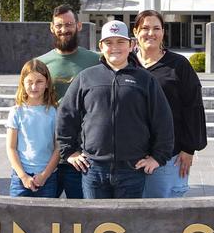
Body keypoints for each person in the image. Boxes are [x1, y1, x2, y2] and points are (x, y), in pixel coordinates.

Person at [57, 19, 174, 199]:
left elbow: (163, 120)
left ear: (131, 45)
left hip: (133, 169)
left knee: (128, 224)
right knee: (95, 223)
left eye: (120, 42)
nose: (115, 47)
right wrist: (69, 152)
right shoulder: (86, 77)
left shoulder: (145, 80)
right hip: (93, 169)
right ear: (101, 46)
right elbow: (66, 115)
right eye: (109, 42)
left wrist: (158, 157)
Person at [133, 10, 207, 198]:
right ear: (135, 32)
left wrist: (189, 148)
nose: (151, 33)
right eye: (145, 28)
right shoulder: (126, 63)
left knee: (165, 216)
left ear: (163, 32)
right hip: (131, 156)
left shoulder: (178, 65)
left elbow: (193, 107)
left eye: (156, 28)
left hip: (170, 156)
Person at [37, 5, 100, 199]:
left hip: (81, 157)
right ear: (51, 27)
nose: (64, 29)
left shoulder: (96, 60)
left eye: (69, 24)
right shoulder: (40, 64)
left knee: (83, 218)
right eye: (59, 25)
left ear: (79, 26)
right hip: (46, 158)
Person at [4, 60, 60, 198]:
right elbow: (11, 147)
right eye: (30, 82)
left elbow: (58, 148)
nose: (34, 86)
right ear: (23, 83)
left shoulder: (54, 112)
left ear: (47, 83)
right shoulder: (16, 112)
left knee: (45, 218)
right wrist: (23, 176)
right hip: (20, 177)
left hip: (47, 176)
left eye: (39, 81)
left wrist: (44, 175)